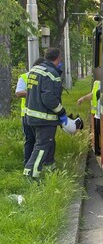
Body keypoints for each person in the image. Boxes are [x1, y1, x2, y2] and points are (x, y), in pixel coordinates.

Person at [23, 48, 67, 181]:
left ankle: (49, 169)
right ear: (58, 58)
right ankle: (30, 174)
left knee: (47, 144)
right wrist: (61, 112)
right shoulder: (51, 73)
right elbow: (49, 98)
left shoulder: (35, 70)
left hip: (31, 116)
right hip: (44, 118)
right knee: (42, 147)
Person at [15, 57, 45, 166]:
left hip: (41, 114)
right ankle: (28, 164)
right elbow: (18, 93)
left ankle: (38, 164)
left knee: (41, 141)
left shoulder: (44, 77)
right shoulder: (25, 77)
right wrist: (33, 92)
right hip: (27, 114)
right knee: (30, 140)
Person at [77, 79, 101, 155]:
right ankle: (98, 151)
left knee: (101, 136)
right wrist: (83, 98)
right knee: (98, 135)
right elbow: (93, 94)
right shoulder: (97, 83)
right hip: (98, 115)